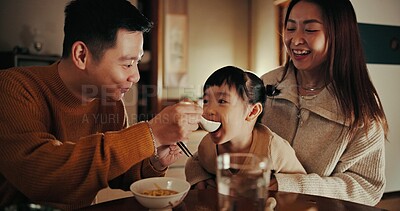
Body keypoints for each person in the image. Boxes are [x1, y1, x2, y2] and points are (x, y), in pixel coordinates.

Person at [0, 0, 202, 210]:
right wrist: (151, 133)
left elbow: (114, 171)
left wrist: (155, 161)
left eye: (137, 62)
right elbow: (41, 176)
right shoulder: (13, 88)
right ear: (81, 55)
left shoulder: (110, 103)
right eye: (127, 64)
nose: (136, 76)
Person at [260, 0, 389, 206]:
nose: (295, 39)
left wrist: (288, 185)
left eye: (310, 29)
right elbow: (228, 139)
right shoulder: (265, 85)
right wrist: (200, 171)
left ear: (339, 35)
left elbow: (366, 186)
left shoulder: (359, 106)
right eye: (290, 28)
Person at [185, 66, 306, 188]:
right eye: (206, 101)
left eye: (222, 101)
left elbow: (301, 182)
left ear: (252, 112)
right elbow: (194, 162)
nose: (209, 110)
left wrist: (279, 186)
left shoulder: (273, 148)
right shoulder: (206, 146)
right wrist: (199, 179)